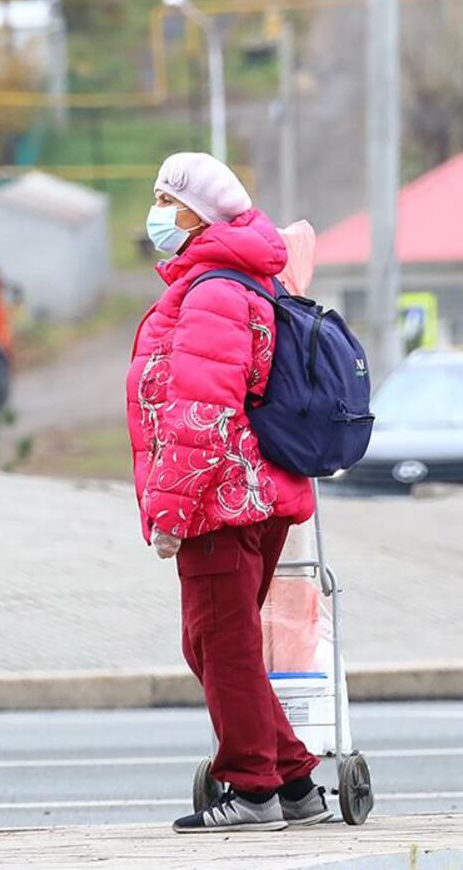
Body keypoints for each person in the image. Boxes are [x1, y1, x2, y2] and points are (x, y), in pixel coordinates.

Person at [125, 152, 328, 833]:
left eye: (166, 200)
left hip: (219, 499)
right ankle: (293, 781)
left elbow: (202, 411)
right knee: (217, 642)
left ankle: (251, 789)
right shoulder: (236, 278)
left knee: (220, 643)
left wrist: (171, 511)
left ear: (197, 213)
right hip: (249, 492)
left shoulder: (213, 290)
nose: (156, 213)